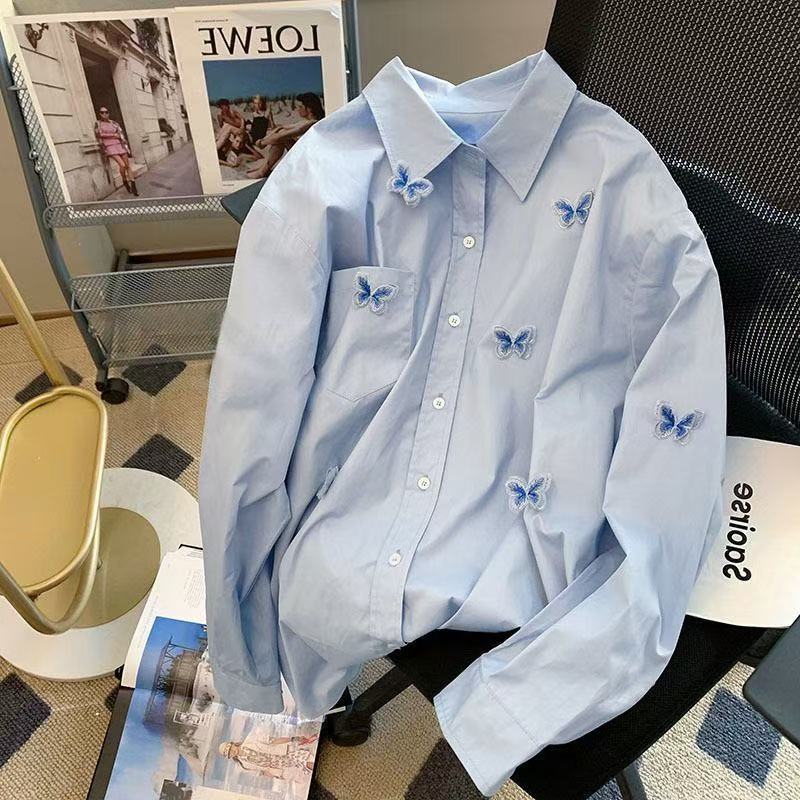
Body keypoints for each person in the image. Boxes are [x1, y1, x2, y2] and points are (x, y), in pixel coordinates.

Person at [246, 93, 325, 179]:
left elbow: (285, 134)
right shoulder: (308, 121)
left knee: (283, 137)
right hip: (306, 155)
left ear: (309, 109)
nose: (297, 109)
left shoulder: (311, 123)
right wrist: (265, 138)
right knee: (282, 133)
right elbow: (282, 127)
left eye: (300, 107)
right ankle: (264, 168)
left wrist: (262, 143)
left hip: (310, 160)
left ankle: (263, 170)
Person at [218, 732, 318, 783]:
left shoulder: (250, 739)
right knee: (306, 775)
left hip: (285, 753)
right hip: (281, 769)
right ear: (230, 757)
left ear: (233, 744)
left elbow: (273, 741)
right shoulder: (243, 765)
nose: (232, 751)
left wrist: (293, 739)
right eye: (229, 753)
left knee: (307, 761)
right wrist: (277, 776)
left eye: (230, 748)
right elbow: (262, 773)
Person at [94, 107, 137, 196]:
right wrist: (114, 135)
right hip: (109, 146)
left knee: (127, 166)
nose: (104, 114)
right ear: (100, 114)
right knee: (122, 165)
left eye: (106, 112)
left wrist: (121, 138)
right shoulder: (98, 124)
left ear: (108, 113)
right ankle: (124, 180)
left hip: (120, 145)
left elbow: (120, 133)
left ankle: (134, 187)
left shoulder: (114, 123)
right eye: (102, 112)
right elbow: (99, 134)